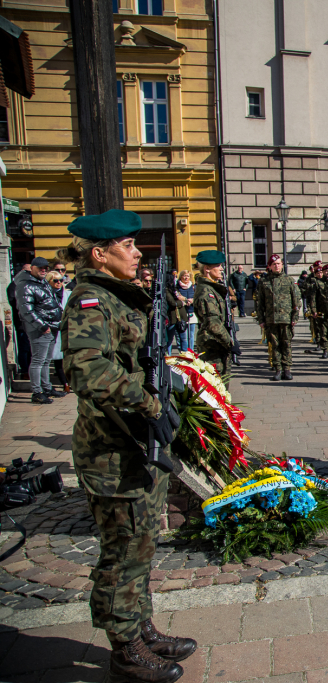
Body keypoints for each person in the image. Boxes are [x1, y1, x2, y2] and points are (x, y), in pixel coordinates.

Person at [58, 209, 195, 683]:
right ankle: (124, 651)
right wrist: (150, 403)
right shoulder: (90, 301)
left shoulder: (121, 296)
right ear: (101, 253)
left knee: (141, 544)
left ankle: (141, 629)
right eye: (128, 246)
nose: (138, 253)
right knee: (121, 552)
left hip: (134, 444)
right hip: (111, 449)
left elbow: (143, 349)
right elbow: (86, 371)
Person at [20, 256, 66, 404]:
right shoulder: (26, 285)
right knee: (38, 361)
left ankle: (47, 388)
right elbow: (26, 310)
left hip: (52, 326)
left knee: (46, 361)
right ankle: (37, 392)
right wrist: (42, 325)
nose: (43, 270)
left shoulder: (42, 283)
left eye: (45, 268)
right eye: (40, 268)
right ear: (32, 268)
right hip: (41, 329)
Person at [256, 254, 300, 381]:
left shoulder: (289, 280)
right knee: (274, 345)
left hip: (286, 319)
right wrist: (261, 319)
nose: (277, 266)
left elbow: (296, 300)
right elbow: (259, 302)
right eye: (274, 264)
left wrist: (295, 317)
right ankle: (278, 369)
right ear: (269, 266)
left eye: (279, 264)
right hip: (271, 319)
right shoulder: (264, 282)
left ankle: (287, 369)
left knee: (286, 344)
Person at [194, 251, 234, 377]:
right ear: (207, 269)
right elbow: (213, 324)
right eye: (218, 265)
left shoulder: (213, 288)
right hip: (212, 347)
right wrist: (230, 342)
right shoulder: (206, 292)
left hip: (217, 345)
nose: (221, 269)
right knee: (216, 387)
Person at [46, 271, 72, 394]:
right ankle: (65, 384)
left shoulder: (68, 294)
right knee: (57, 358)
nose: (59, 283)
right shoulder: (46, 295)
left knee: (69, 357)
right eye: (55, 280)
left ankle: (71, 381)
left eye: (61, 280)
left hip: (68, 328)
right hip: (54, 328)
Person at [175, 270, 196, 351]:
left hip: (192, 312)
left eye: (187, 276)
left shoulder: (193, 286)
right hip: (182, 313)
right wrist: (186, 300)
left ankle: (191, 352)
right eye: (184, 276)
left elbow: (197, 297)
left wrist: (192, 300)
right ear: (181, 277)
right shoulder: (177, 287)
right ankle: (184, 352)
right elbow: (177, 296)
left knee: (191, 335)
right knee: (183, 336)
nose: (186, 277)